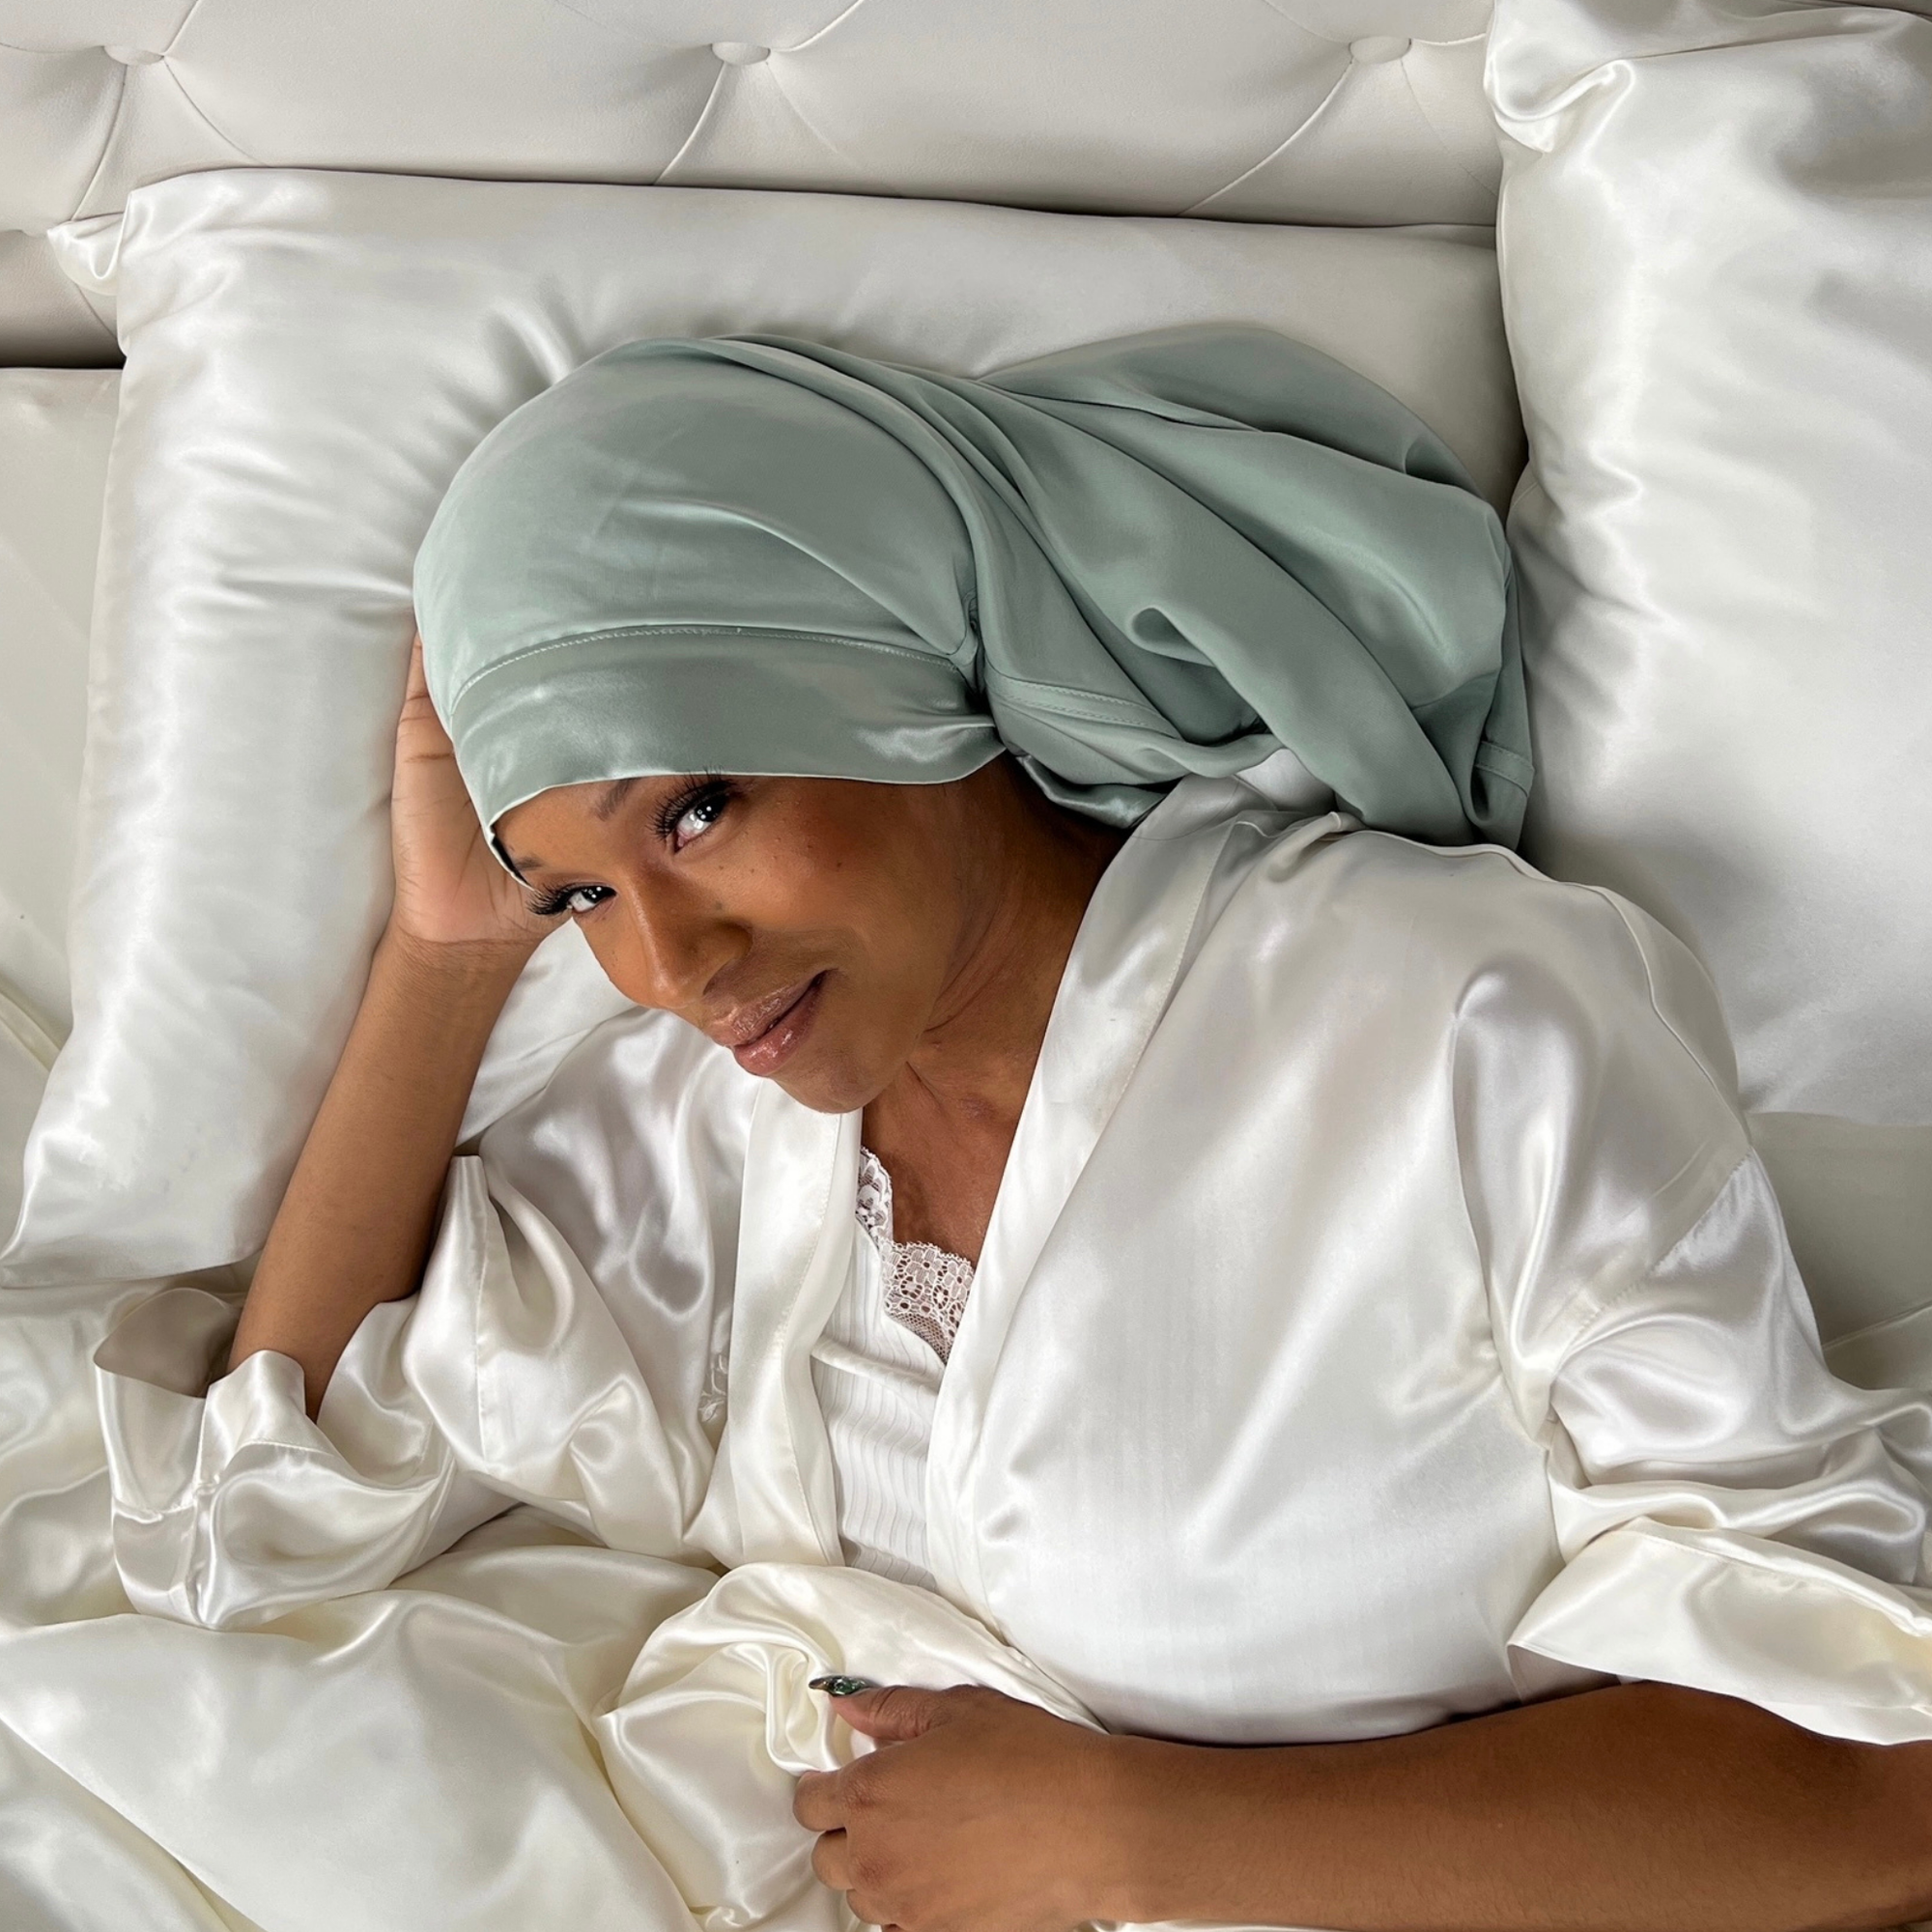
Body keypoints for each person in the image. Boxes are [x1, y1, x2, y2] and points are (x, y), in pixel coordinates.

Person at [131, 333, 1932, 1928]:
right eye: (581, 897)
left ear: (901, 682)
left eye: (695, 808)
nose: (672, 965)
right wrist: (450, 956)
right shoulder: (712, 1134)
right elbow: (255, 1522)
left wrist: (1137, 1837)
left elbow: (1873, 1797)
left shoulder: (1455, 1012)